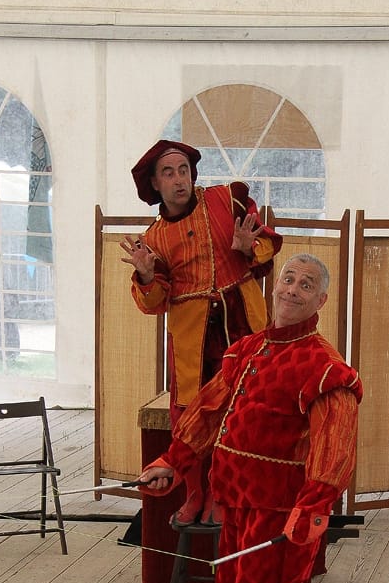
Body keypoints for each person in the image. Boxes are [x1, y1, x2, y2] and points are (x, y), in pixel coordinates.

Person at [138, 253, 389, 583]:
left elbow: (335, 448)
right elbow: (206, 412)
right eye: (288, 279)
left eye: (306, 285)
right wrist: (171, 463)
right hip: (236, 501)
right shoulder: (248, 350)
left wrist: (313, 507)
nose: (291, 289)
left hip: (281, 512)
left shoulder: (326, 369)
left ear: (321, 300)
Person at [120, 139, 282, 525]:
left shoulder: (227, 200)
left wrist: (247, 246)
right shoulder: (154, 238)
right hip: (193, 338)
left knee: (240, 413)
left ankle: (227, 495)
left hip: (242, 324)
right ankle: (195, 495)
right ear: (155, 184)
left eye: (184, 170)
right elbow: (154, 302)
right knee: (192, 417)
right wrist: (145, 274)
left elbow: (268, 245)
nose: (180, 179)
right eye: (169, 173)